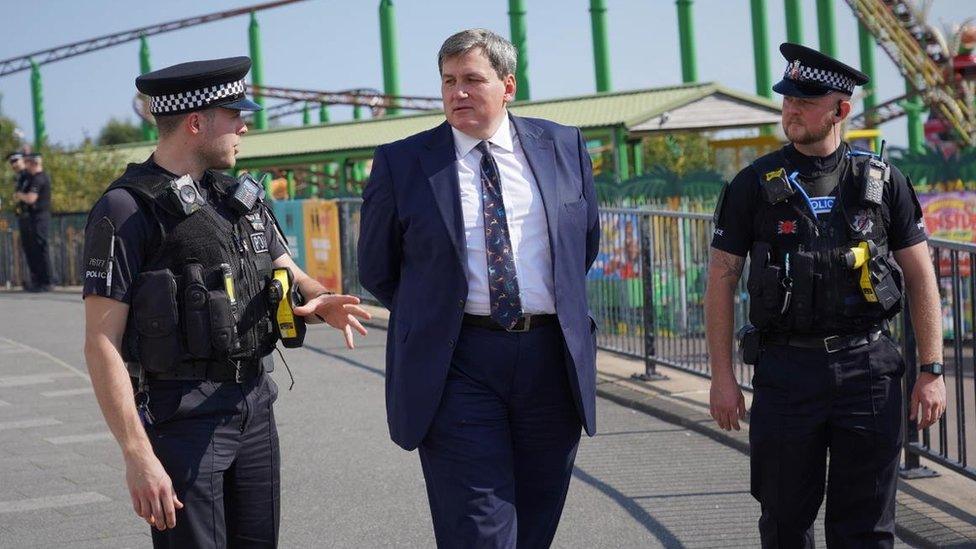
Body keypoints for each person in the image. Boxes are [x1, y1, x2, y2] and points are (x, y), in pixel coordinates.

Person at [82, 56, 370, 548]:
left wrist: (321, 300)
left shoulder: (240, 197)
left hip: (254, 405)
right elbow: (100, 342)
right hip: (182, 416)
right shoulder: (125, 208)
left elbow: (290, 273)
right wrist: (137, 454)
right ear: (196, 122)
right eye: (235, 114)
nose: (245, 125)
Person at [358, 28, 600, 548]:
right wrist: (436, 314)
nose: (458, 93)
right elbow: (377, 268)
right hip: (457, 364)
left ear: (507, 85)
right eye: (448, 81)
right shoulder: (402, 163)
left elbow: (582, 246)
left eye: (472, 79)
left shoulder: (563, 146)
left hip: (549, 360)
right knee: (479, 532)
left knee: (535, 526)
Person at [705, 43, 947, 548]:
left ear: (841, 110)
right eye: (787, 98)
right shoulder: (753, 185)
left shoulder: (882, 181)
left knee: (867, 527)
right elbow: (722, 278)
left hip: (869, 370)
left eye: (805, 101)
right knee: (785, 521)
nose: (790, 109)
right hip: (787, 373)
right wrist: (722, 377)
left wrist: (932, 370)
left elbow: (922, 275)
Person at [14, 152, 53, 291]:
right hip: (33, 218)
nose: (26, 166)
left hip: (40, 218)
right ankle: (37, 281)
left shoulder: (39, 178)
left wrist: (19, 195)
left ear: (34, 163)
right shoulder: (31, 178)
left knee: (41, 248)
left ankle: (46, 281)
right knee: (32, 250)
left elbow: (31, 198)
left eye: (28, 163)